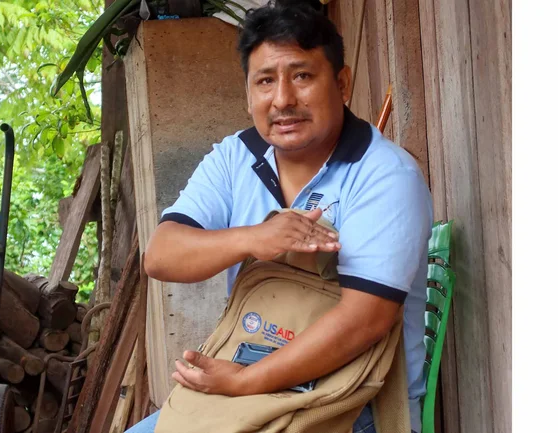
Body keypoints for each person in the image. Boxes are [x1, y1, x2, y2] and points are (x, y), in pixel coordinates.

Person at [128, 2, 433, 432]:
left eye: (302, 76)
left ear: (342, 83)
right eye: (265, 81)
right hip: (255, 387)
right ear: (248, 94)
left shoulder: (384, 173)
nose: (283, 99)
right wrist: (253, 238)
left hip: (354, 403)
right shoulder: (235, 157)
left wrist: (245, 382)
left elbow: (364, 321)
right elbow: (161, 256)